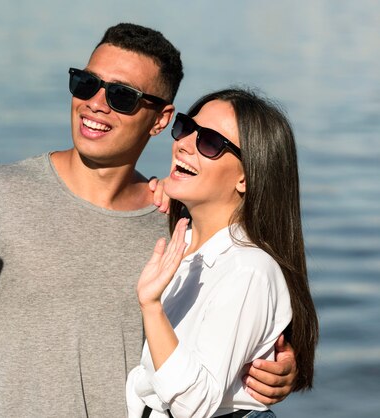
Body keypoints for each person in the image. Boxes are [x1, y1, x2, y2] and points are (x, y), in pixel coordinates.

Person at [0, 23, 297, 417]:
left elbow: (234, 329)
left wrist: (271, 371)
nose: (96, 102)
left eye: (122, 96)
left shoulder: (178, 223)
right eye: (86, 83)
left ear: (160, 120)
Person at [126, 88, 319, 418]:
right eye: (187, 127)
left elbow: (194, 405)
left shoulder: (248, 269)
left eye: (210, 142)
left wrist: (152, 307)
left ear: (246, 176)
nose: (184, 143)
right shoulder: (182, 244)